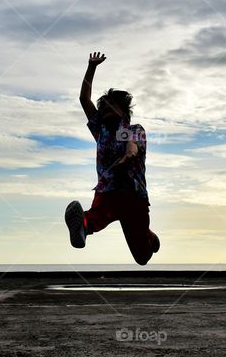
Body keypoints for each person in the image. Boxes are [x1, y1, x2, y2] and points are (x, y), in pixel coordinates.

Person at [64, 52, 160, 265]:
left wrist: (129, 154)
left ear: (124, 111)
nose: (105, 109)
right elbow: (83, 99)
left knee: (142, 257)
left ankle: (150, 239)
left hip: (133, 196)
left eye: (110, 106)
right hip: (107, 191)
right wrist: (91, 67)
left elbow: (132, 145)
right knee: (94, 217)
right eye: (103, 107)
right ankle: (82, 227)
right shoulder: (101, 130)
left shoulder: (131, 129)